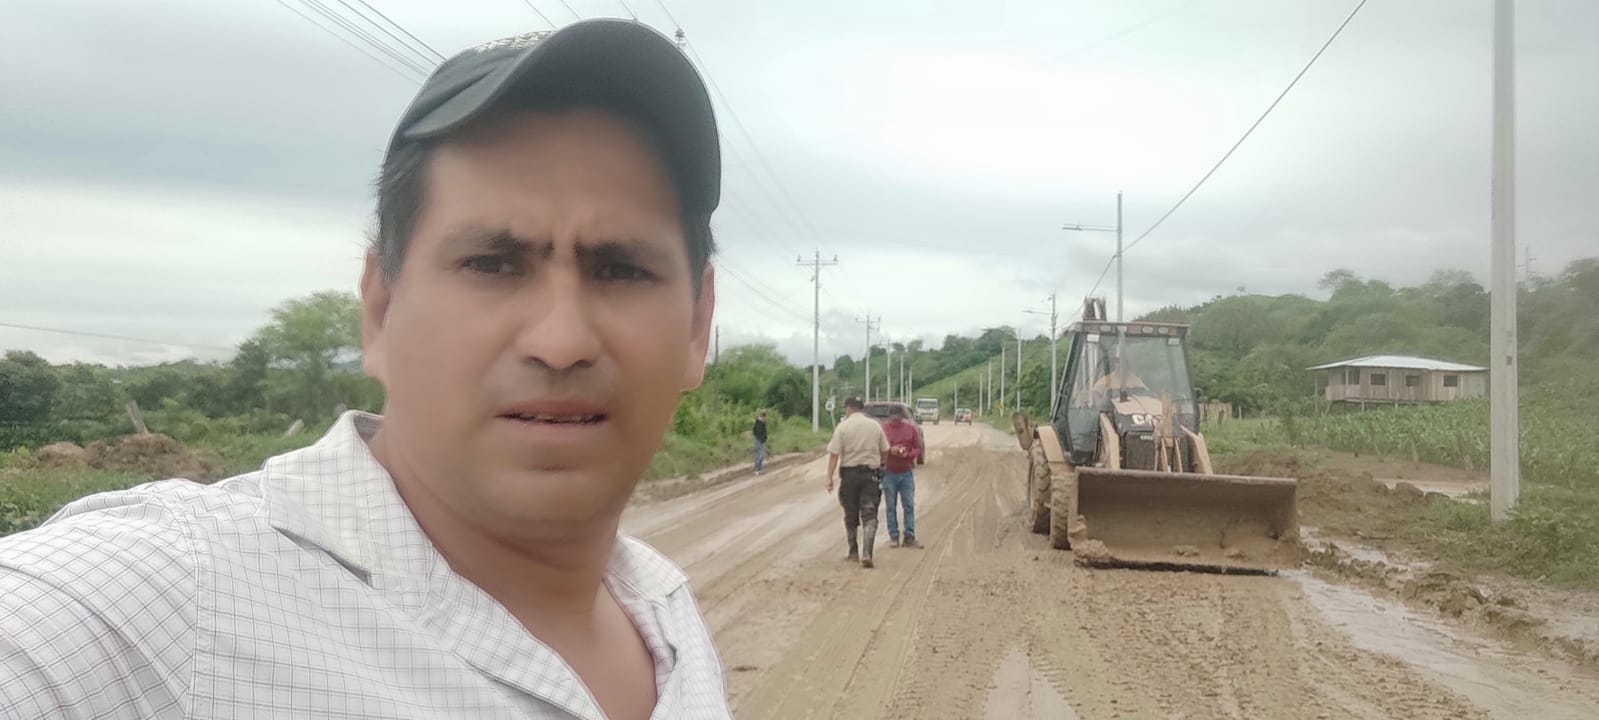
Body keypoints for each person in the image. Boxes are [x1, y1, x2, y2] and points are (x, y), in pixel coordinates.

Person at [0, 20, 731, 720]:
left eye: (621, 269)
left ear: (697, 327)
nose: (561, 341)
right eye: (491, 263)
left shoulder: (665, 613)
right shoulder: (169, 600)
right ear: (380, 308)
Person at [824, 396, 889, 568]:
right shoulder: (875, 426)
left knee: (850, 514)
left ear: (848, 408)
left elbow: (834, 454)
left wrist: (829, 478)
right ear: (861, 408)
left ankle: (853, 551)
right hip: (870, 476)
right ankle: (867, 552)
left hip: (849, 476)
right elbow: (885, 450)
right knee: (869, 514)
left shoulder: (843, 427)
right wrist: (882, 465)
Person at [880, 404, 923, 548]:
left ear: (901, 417)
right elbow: (877, 448)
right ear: (889, 417)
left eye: (898, 418)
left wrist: (908, 454)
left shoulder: (910, 429)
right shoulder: (883, 430)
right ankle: (893, 536)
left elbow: (918, 448)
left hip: (906, 472)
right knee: (890, 506)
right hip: (889, 472)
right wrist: (890, 450)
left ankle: (909, 536)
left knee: (908, 505)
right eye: (893, 418)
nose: (895, 421)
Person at [752, 409, 768, 475]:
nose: (764, 417)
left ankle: (759, 469)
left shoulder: (762, 423)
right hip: (758, 440)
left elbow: (755, 431)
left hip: (760, 441)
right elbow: (756, 432)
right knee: (759, 455)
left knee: (761, 455)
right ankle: (757, 469)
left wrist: (764, 439)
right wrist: (761, 439)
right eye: (763, 414)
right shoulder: (759, 423)